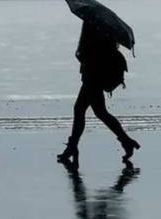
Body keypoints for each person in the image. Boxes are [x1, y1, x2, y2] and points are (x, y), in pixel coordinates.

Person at [57, 22, 140, 165]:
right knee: (99, 112)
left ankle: (73, 147)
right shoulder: (102, 27)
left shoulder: (94, 27)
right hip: (94, 75)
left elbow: (91, 53)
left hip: (93, 75)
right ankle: (126, 141)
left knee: (82, 110)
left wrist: (82, 53)